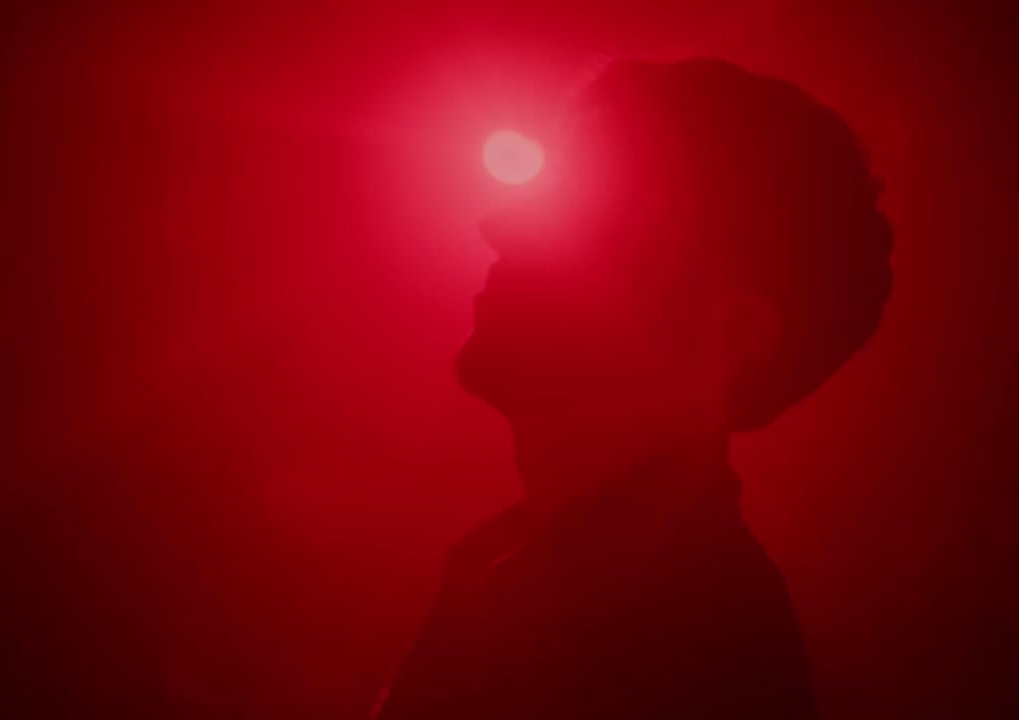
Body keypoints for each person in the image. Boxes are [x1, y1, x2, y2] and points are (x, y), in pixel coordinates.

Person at [373, 57, 893, 720]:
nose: (498, 226)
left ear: (735, 334)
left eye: (591, 212)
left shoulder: (694, 652)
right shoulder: (523, 575)